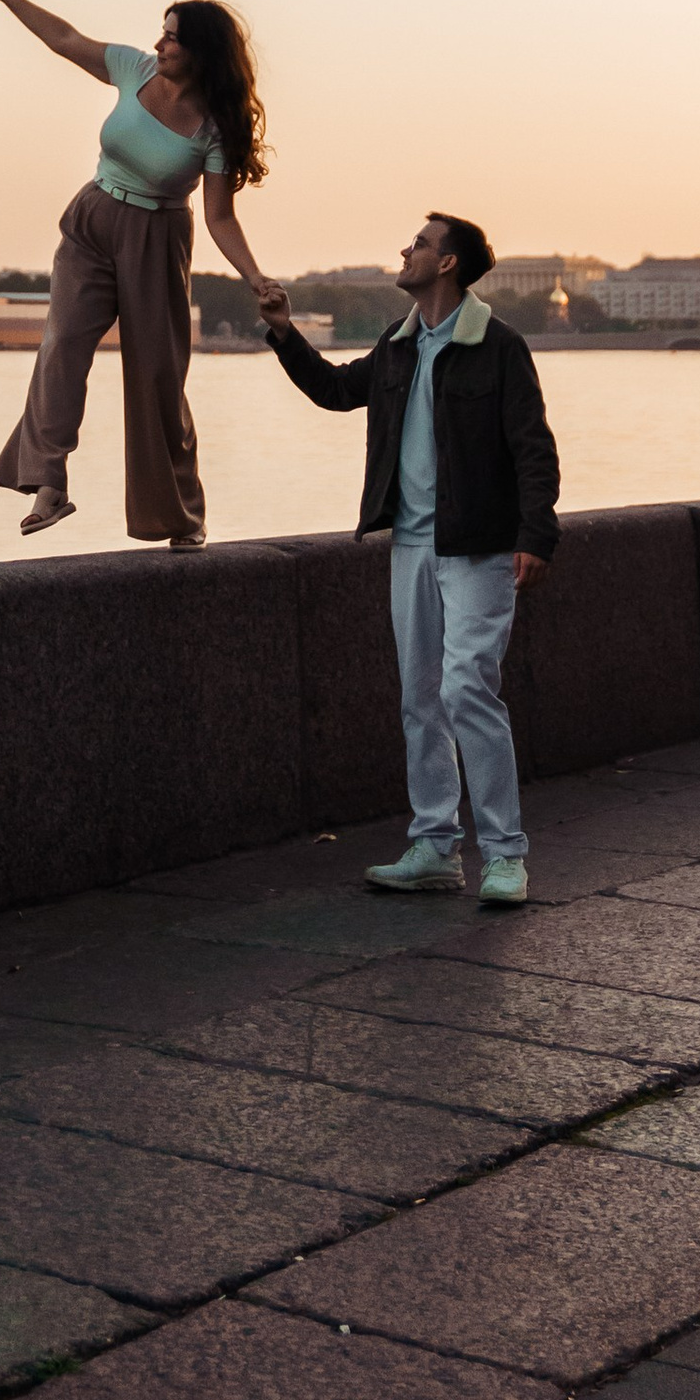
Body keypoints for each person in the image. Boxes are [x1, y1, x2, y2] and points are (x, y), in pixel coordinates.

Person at [259, 211, 559, 908]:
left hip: (479, 546)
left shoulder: (498, 346)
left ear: (448, 263)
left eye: (420, 243)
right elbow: (335, 390)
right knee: (420, 698)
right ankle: (433, 848)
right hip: (411, 546)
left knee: (465, 690)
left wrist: (536, 535)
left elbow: (533, 448)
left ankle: (507, 854)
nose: (406, 249)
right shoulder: (398, 348)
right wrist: (282, 329)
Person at [0, 0, 276, 546]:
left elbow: (219, 217)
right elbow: (64, 37)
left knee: (158, 378)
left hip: (155, 242)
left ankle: (181, 518)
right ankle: (49, 483)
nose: (158, 43)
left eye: (172, 37)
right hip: (92, 220)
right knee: (62, 345)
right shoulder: (134, 70)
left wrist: (255, 277)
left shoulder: (215, 127)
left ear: (200, 52)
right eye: (161, 32)